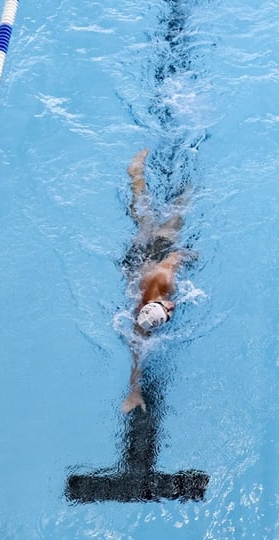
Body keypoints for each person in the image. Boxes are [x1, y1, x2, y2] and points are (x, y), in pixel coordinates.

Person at [121, 149, 191, 413]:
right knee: (142, 219)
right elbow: (136, 352)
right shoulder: (141, 317)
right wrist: (134, 391)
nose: (172, 308)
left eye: (167, 308)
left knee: (179, 211)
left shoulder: (165, 280)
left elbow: (175, 255)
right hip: (137, 265)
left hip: (158, 253)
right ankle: (136, 177)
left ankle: (137, 174)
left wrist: (189, 256)